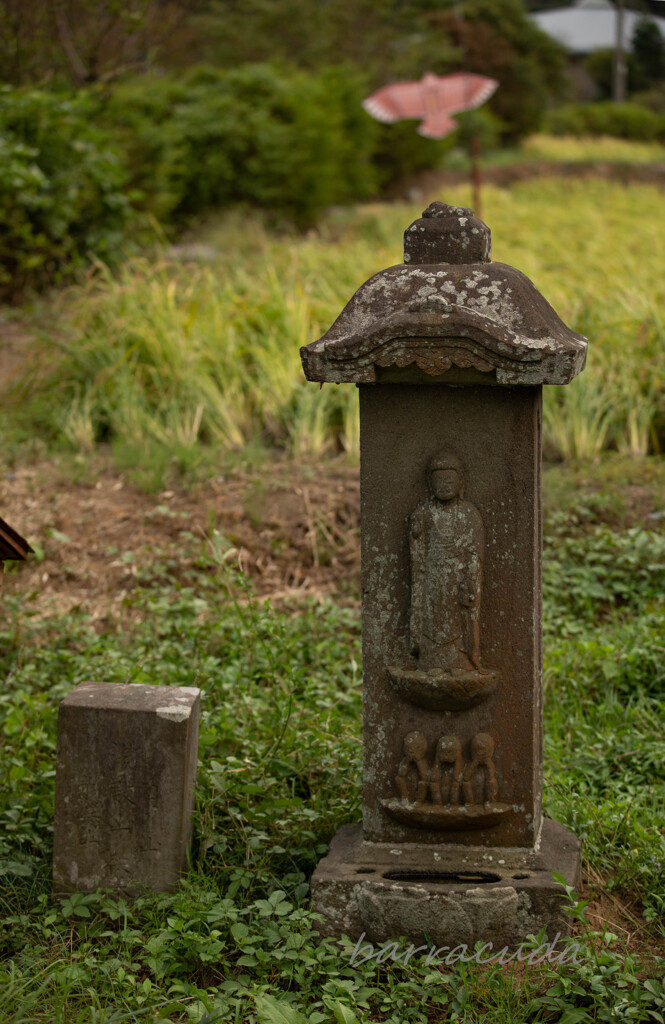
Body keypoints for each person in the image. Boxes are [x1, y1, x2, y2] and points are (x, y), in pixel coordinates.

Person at [409, 451, 484, 674]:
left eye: (450, 481)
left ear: (461, 482)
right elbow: (417, 547)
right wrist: (415, 536)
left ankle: (459, 661)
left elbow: (475, 549)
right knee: (432, 617)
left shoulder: (469, 514)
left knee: (457, 619)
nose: (444, 486)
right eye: (439, 481)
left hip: (458, 576)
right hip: (432, 575)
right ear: (430, 485)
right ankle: (433, 661)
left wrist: (470, 577)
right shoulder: (424, 512)